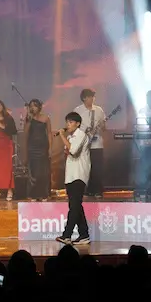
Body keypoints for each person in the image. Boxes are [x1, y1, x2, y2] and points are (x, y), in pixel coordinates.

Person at [56, 112, 91, 245]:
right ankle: (84, 235)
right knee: (75, 206)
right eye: (67, 122)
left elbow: (73, 151)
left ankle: (67, 235)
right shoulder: (70, 137)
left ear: (78, 124)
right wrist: (66, 139)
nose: (68, 125)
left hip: (79, 174)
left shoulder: (81, 135)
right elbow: (68, 151)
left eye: (71, 122)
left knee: (74, 206)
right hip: (70, 175)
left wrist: (62, 136)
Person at [73, 88, 106, 197]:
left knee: (97, 167)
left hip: (97, 143)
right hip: (84, 143)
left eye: (93, 96)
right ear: (84, 98)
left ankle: (97, 190)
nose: (92, 98)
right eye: (90, 96)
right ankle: (86, 190)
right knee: (85, 168)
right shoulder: (78, 110)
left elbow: (104, 128)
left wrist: (102, 126)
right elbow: (73, 127)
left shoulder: (99, 110)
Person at [23, 99, 53, 201]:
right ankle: (33, 195)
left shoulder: (46, 118)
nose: (33, 108)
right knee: (33, 172)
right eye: (31, 106)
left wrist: (50, 148)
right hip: (32, 147)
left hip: (43, 147)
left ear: (39, 107)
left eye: (35, 106)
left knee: (43, 172)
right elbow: (25, 133)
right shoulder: (29, 119)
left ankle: (44, 194)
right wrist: (29, 120)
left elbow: (49, 133)